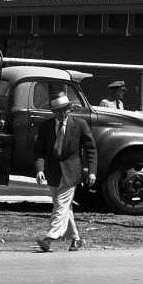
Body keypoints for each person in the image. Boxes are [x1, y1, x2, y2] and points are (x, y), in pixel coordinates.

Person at [33, 90, 97, 253]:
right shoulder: (46, 126)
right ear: (53, 112)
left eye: (64, 109)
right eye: (58, 110)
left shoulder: (80, 125)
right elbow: (39, 151)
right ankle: (76, 239)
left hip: (71, 172)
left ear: (70, 109)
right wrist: (40, 170)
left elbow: (91, 149)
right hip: (53, 173)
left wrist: (92, 171)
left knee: (60, 206)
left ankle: (49, 238)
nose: (62, 113)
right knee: (64, 208)